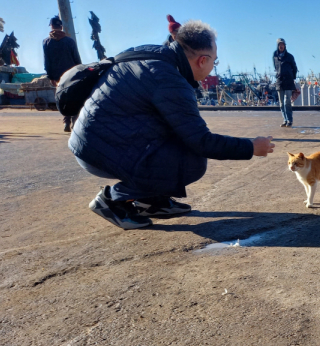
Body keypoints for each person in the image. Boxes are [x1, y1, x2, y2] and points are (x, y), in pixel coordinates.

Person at [69, 20, 275, 230]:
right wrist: (251, 147)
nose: (214, 66)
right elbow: (201, 141)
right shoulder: (170, 79)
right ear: (203, 60)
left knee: (178, 142)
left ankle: (151, 201)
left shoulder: (155, 55)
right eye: (215, 61)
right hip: (98, 150)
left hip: (95, 139)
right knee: (192, 162)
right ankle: (111, 199)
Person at [43, 16, 82, 132]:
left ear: (51, 26)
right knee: (74, 97)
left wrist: (50, 76)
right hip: (71, 74)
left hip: (57, 76)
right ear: (61, 27)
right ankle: (74, 122)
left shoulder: (46, 42)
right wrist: (80, 71)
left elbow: (47, 61)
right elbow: (76, 58)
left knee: (63, 99)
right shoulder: (69, 41)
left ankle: (66, 122)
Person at [273, 38, 298, 127]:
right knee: (281, 103)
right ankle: (285, 120)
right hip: (279, 81)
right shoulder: (275, 56)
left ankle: (289, 120)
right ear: (278, 46)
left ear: (285, 46)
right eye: (280, 45)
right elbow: (275, 66)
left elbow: (294, 68)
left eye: (282, 44)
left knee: (287, 101)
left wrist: (292, 77)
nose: (281, 46)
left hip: (288, 81)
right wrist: (278, 74)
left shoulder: (290, 57)